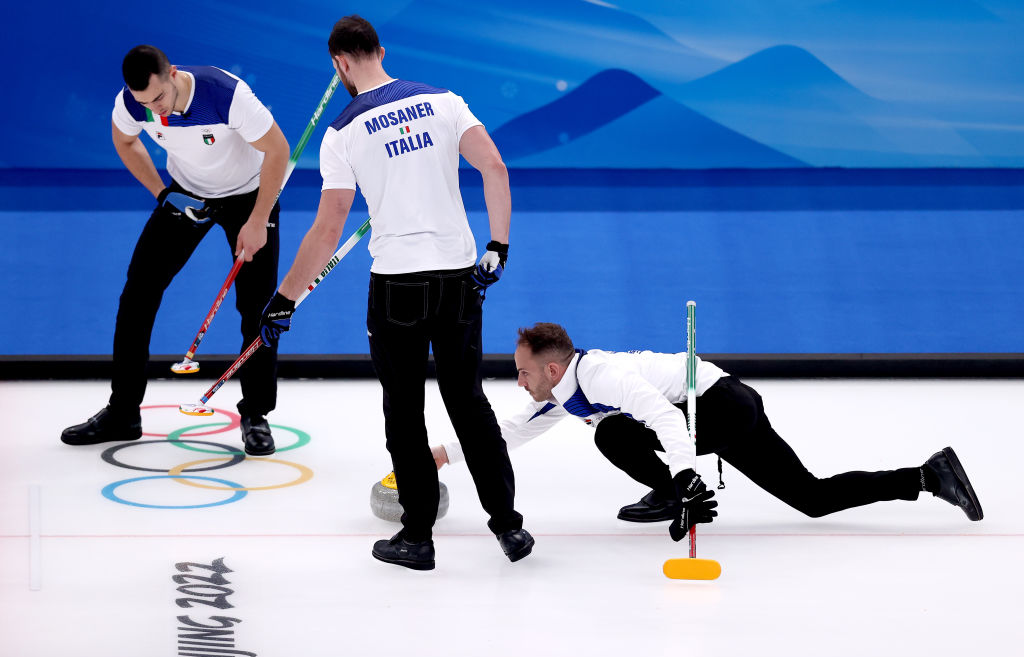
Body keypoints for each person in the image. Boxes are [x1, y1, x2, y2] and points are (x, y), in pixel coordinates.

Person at [258, 15, 533, 570]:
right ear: (380, 51)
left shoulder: (342, 131)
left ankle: (417, 538)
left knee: (404, 413)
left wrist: (285, 297)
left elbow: (330, 224)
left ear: (340, 64)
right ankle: (508, 528)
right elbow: (496, 168)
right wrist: (497, 247)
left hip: (397, 287)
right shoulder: (445, 101)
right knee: (469, 404)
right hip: (460, 277)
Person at [430, 323, 984, 540]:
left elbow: (669, 420)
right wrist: (440, 456)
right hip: (725, 407)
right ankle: (927, 475)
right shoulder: (562, 394)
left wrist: (687, 481)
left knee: (611, 435)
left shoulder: (601, 374)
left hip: (718, 406)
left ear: (552, 369)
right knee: (813, 499)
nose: (517, 381)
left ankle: (678, 491)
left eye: (523, 372)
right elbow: (506, 433)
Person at [60, 45, 290, 455]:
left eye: (158, 98)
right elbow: (125, 142)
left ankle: (256, 415)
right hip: (188, 196)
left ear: (173, 74)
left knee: (255, 308)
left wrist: (257, 222)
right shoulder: (133, 104)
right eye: (143, 102)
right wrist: (163, 194)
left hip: (251, 196)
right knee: (138, 293)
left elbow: (278, 150)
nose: (153, 109)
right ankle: (123, 411)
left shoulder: (225, 93)